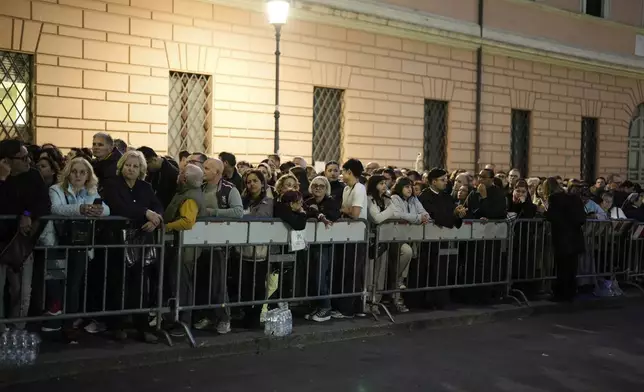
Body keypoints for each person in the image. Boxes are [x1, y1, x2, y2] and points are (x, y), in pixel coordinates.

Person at [39, 157, 110, 341]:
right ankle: (54, 319)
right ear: (68, 172)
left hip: (79, 243)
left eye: (82, 172)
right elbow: (56, 208)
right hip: (57, 241)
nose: (78, 175)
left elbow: (107, 209)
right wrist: (81, 209)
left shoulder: (91, 190)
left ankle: (69, 323)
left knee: (74, 284)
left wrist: (98, 211)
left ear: (88, 175)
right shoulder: (56, 189)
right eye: (74, 171)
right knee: (55, 281)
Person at [100, 150, 164, 342]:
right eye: (128, 165)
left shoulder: (145, 186)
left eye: (136, 166)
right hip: (118, 239)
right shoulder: (112, 184)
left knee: (141, 284)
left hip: (141, 239)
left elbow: (158, 206)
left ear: (141, 170)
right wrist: (146, 212)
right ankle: (117, 325)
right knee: (118, 282)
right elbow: (119, 206)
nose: (131, 169)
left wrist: (155, 220)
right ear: (122, 166)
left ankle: (142, 327)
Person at [0, 139, 51, 330]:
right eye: (22, 158)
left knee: (21, 291)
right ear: (7, 160)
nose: (28, 161)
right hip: (1, 239)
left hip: (21, 242)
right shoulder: (3, 177)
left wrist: (27, 214)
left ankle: (16, 329)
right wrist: (2, 180)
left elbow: (43, 203)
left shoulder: (33, 176)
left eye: (28, 156)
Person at [333, 158, 368, 319]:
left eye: (343, 172)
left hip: (357, 236)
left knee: (353, 272)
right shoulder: (347, 189)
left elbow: (355, 213)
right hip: (347, 235)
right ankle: (349, 307)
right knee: (346, 271)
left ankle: (349, 309)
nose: (341, 175)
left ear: (349, 172)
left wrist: (344, 209)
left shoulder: (359, 189)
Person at [541, 177, 586, 302]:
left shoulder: (554, 198)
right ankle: (571, 292)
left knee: (562, 268)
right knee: (572, 268)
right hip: (576, 237)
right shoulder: (574, 198)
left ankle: (561, 294)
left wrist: (544, 212)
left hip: (562, 238)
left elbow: (553, 217)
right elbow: (582, 218)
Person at [303, 176, 341, 322]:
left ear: (326, 189)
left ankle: (325, 307)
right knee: (312, 277)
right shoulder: (307, 201)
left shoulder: (331, 202)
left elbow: (333, 216)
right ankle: (317, 306)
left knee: (320, 276)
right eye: (315, 185)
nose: (318, 188)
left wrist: (317, 212)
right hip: (310, 244)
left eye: (321, 186)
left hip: (325, 244)